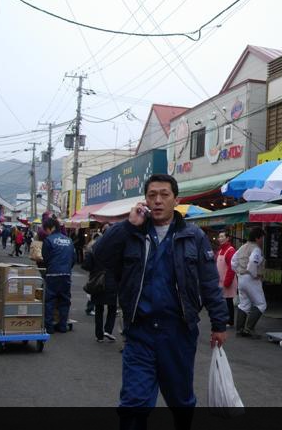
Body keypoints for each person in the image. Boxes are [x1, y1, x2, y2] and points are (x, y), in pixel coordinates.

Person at [91, 174, 228, 427]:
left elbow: (209, 282)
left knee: (181, 401)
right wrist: (126, 225)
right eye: (152, 195)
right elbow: (99, 256)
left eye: (164, 194)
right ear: (145, 200)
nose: (157, 200)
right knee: (134, 403)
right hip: (139, 332)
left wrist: (220, 323)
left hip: (178, 332)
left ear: (176, 200)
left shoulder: (193, 236)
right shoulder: (132, 233)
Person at [42, 217, 76, 334]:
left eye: (46, 229)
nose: (45, 232)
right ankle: (62, 326)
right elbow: (73, 259)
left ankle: (49, 327)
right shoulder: (69, 240)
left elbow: (45, 259)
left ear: (51, 228)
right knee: (64, 300)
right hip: (66, 274)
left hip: (52, 274)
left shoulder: (48, 240)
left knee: (50, 300)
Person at [83, 233, 118, 343]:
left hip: (97, 281)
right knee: (112, 307)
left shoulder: (93, 248)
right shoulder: (115, 248)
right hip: (112, 279)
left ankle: (99, 335)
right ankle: (108, 330)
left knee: (99, 308)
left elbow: (86, 265)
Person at [232, 227, 266, 338]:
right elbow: (252, 263)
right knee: (261, 304)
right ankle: (249, 328)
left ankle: (239, 329)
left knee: (244, 304)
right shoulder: (256, 249)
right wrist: (255, 275)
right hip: (251, 278)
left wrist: (238, 272)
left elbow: (233, 262)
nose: (262, 240)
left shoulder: (242, 247)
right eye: (262, 238)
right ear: (257, 238)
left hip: (241, 278)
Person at [216, 231, 237, 327]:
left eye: (222, 236)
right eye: (219, 237)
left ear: (227, 238)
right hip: (220, 281)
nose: (220, 238)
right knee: (222, 302)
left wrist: (227, 281)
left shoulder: (231, 250)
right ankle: (223, 319)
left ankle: (230, 321)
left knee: (228, 302)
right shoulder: (220, 250)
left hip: (228, 281)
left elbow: (231, 268)